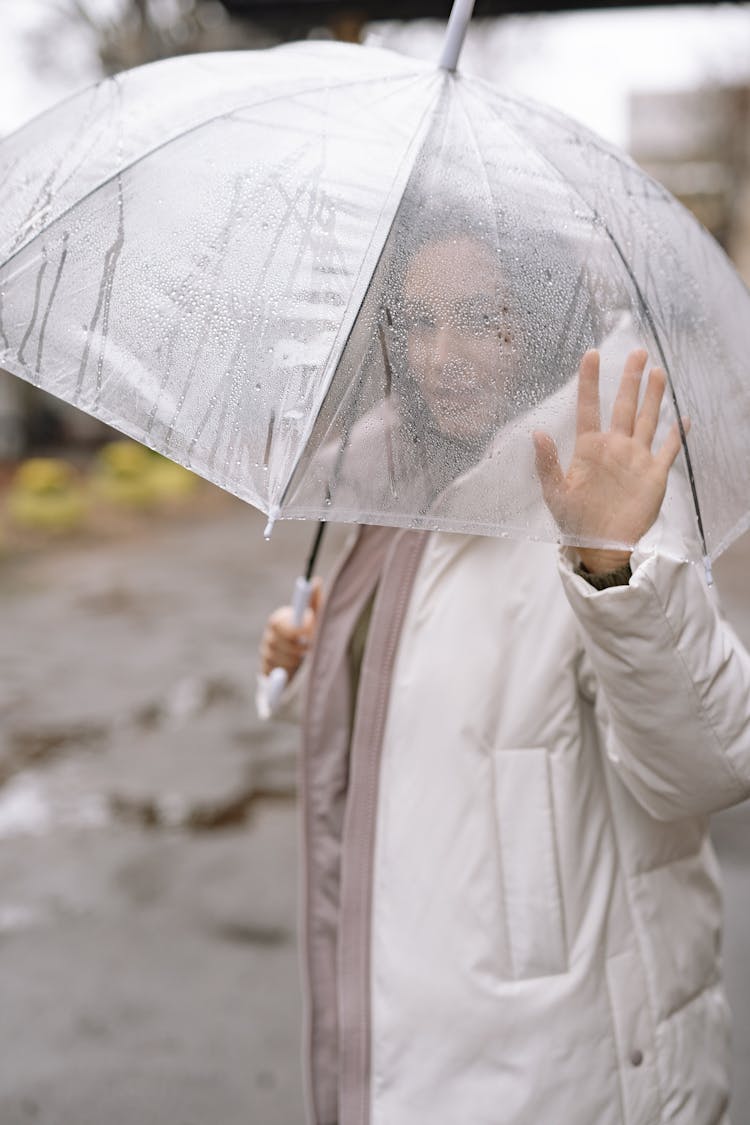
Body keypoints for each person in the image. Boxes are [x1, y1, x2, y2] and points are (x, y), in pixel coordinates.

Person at [259, 230, 750, 1125]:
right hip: (403, 1048)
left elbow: (707, 765)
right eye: (419, 322)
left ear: (555, 321)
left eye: (488, 321)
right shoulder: (386, 484)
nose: (443, 357)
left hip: (561, 1072)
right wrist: (329, 653)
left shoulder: (605, 486)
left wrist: (614, 574)